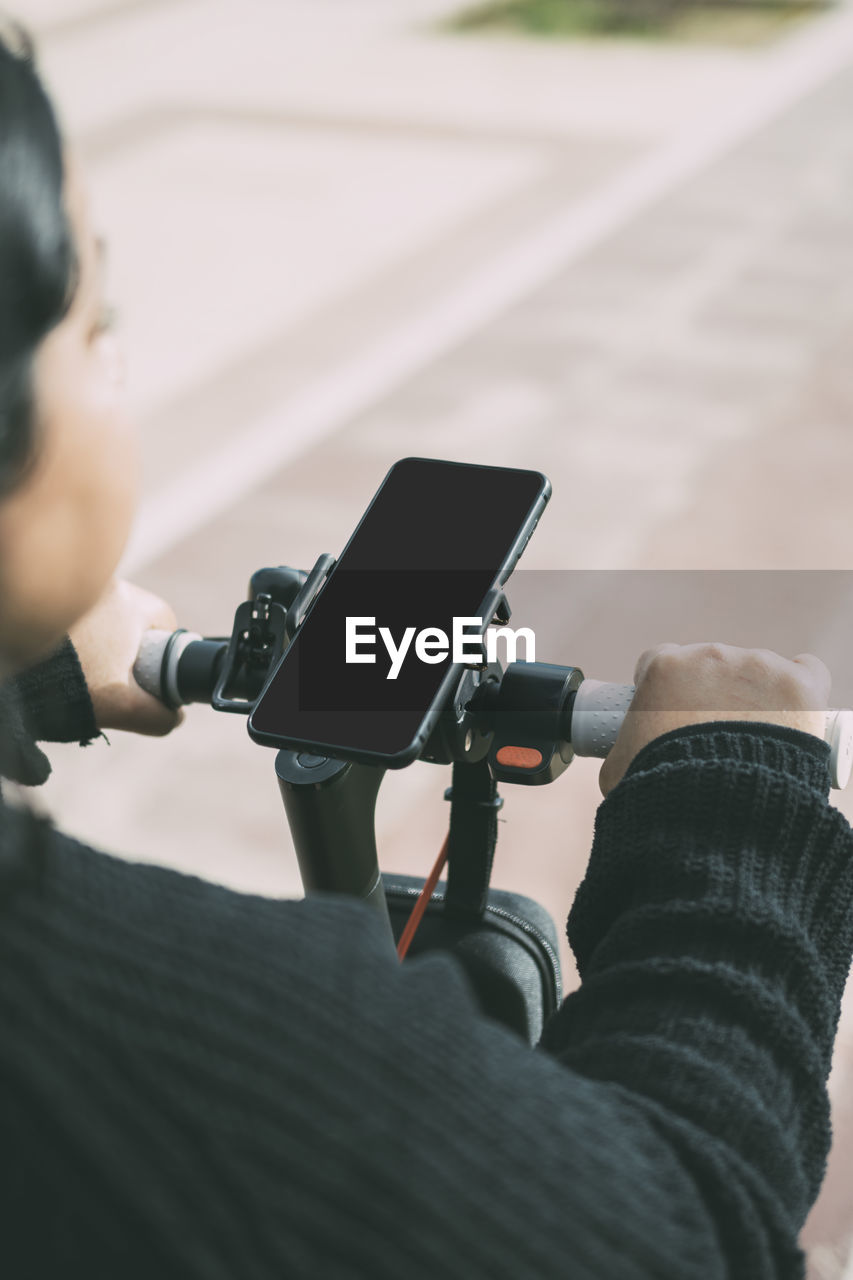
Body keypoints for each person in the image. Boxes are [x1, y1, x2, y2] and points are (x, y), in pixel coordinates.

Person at [1, 22, 852, 1280]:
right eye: (95, 322)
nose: (116, 354)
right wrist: (732, 823)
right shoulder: (134, 1046)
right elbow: (682, 1238)